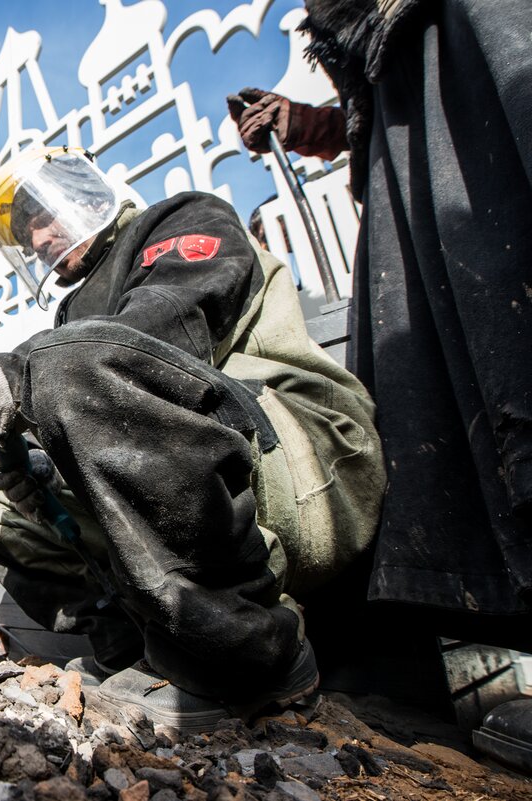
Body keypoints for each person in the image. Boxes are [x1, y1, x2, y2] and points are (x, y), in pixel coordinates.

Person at [0, 146, 385, 733]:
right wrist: (42, 466)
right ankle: (137, 650)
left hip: (307, 465)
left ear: (84, 193)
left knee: (71, 363)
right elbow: (109, 389)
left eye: (41, 216)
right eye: (25, 235)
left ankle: (248, 655)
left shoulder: (184, 219)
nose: (38, 239)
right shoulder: (73, 315)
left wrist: (11, 377)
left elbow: (156, 334)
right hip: (215, 477)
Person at [227, 0, 532, 647]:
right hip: (409, 153)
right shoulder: (386, 69)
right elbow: (370, 106)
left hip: (485, 76)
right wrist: (302, 124)